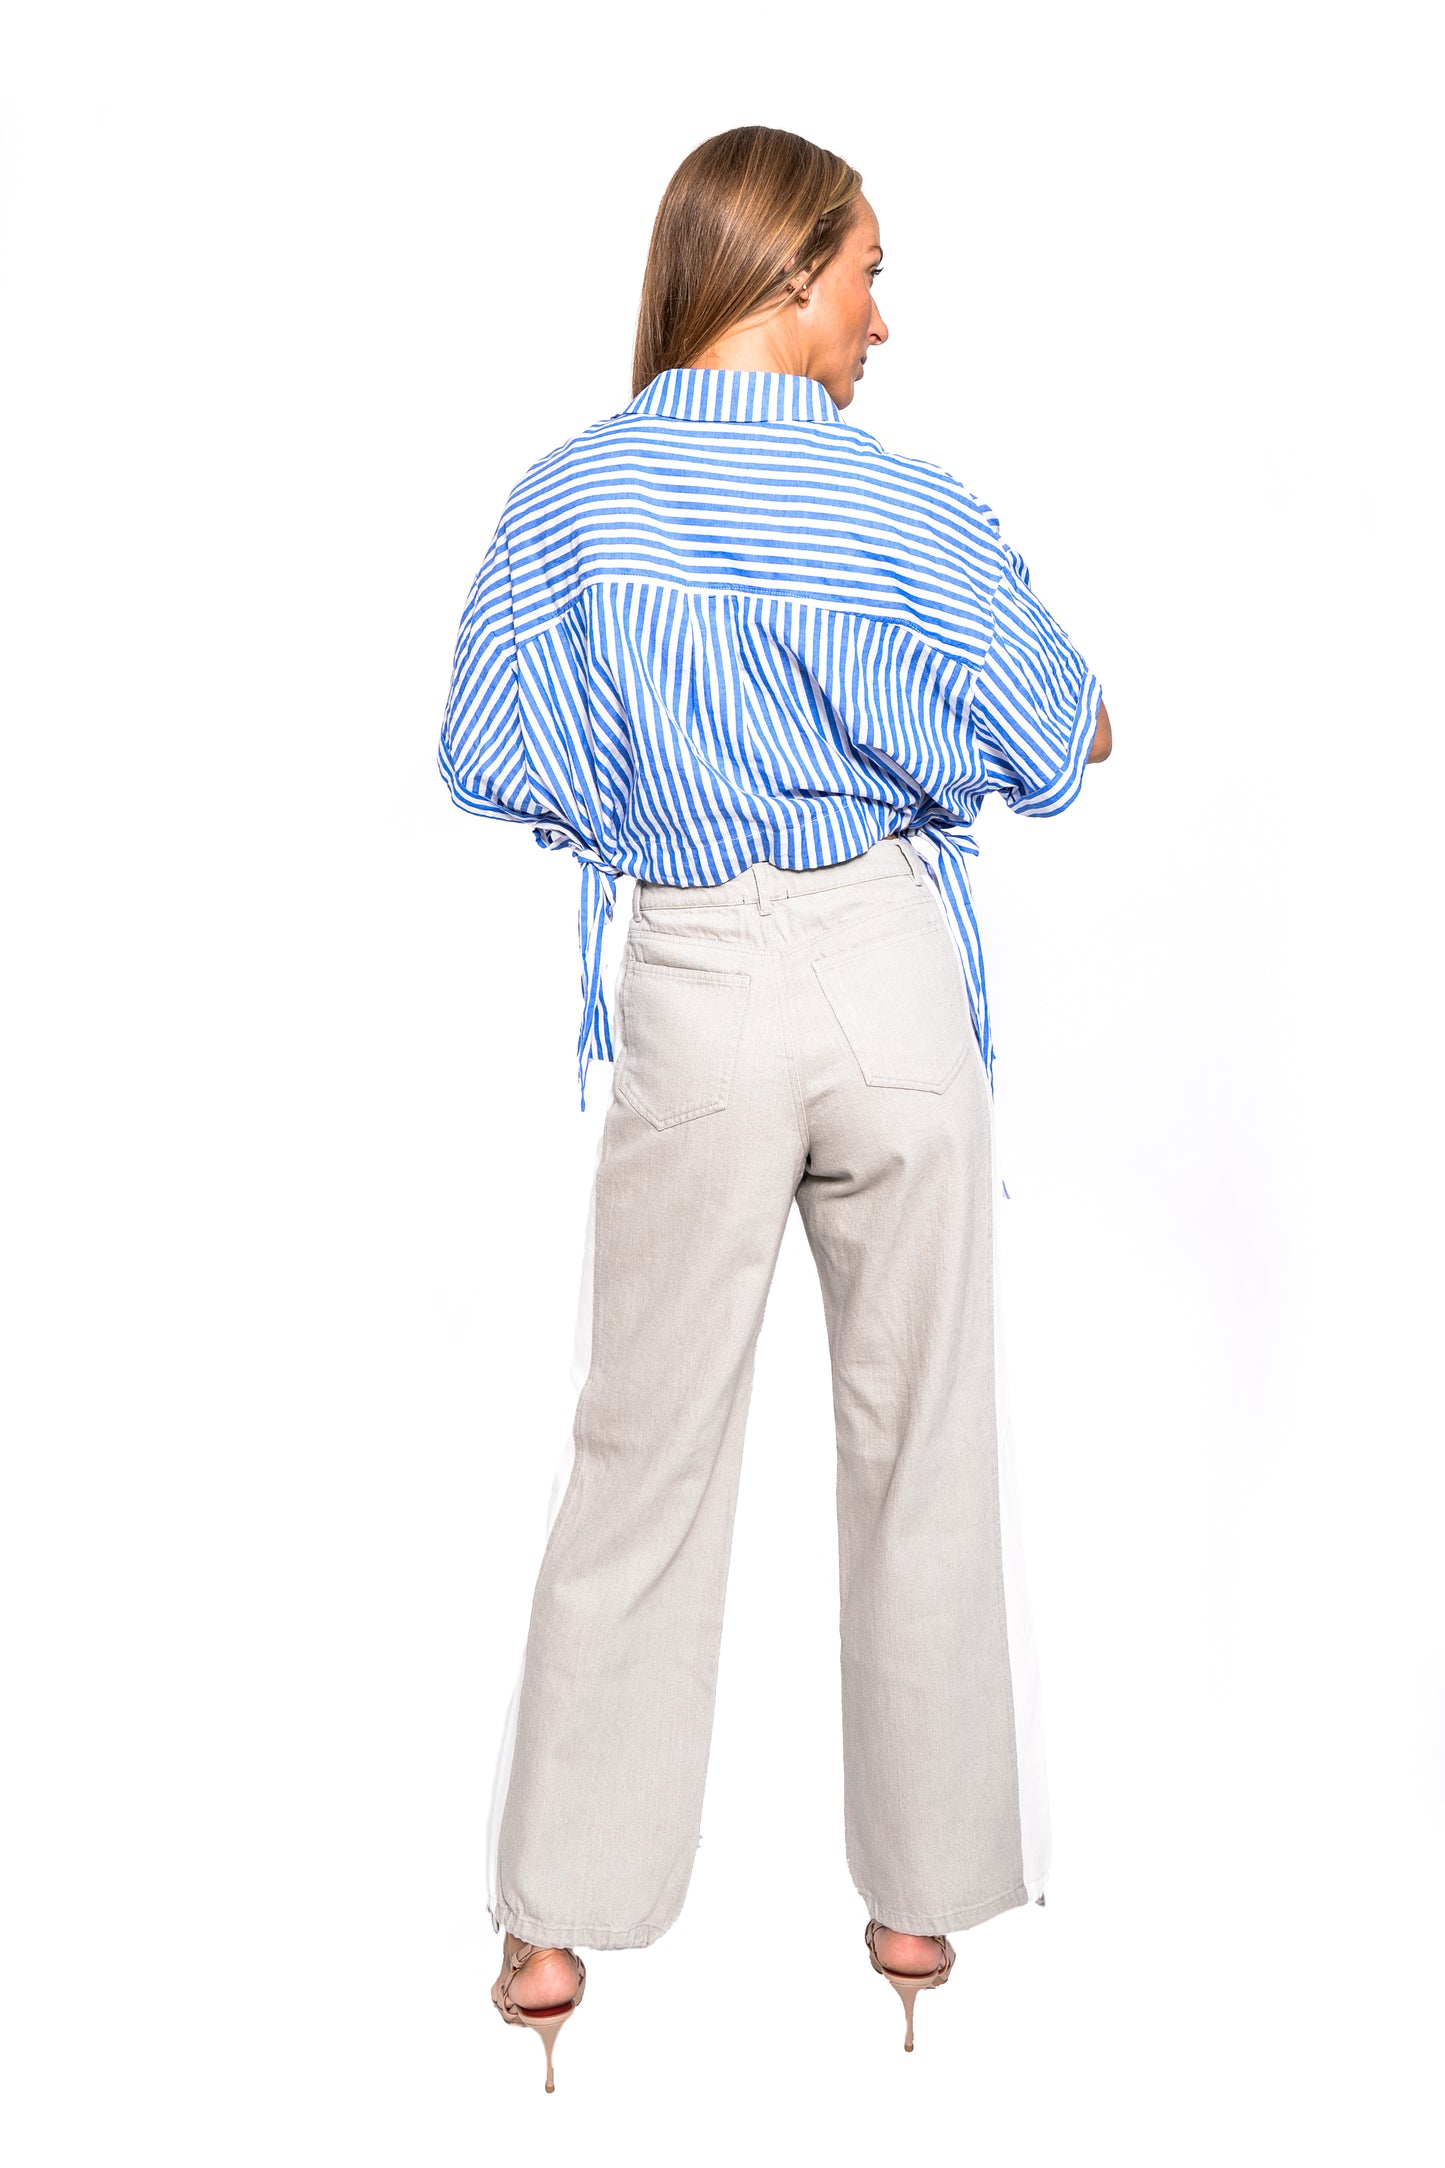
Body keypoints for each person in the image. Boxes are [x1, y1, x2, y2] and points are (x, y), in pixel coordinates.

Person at [438, 124, 1112, 2090]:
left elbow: (490, 751)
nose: (883, 319)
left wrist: (651, 783)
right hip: (896, 974)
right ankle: (917, 1905)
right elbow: (1062, 727)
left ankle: (551, 1923)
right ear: (786, 266)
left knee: (638, 1444)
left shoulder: (572, 499)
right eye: (867, 273)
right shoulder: (902, 506)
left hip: (700, 975)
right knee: (924, 1445)